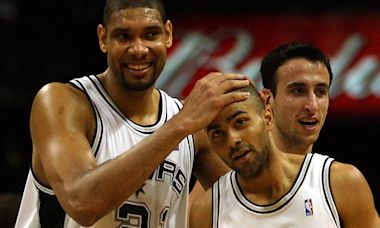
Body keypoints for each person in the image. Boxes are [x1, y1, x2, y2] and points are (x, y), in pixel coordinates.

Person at [15, 0, 250, 227]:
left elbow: (245, 208)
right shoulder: (63, 102)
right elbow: (82, 203)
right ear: (103, 38)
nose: (138, 49)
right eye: (123, 36)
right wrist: (180, 125)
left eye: (150, 34)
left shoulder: (187, 124)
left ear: (168, 35)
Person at [189, 84, 380, 227]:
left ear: (268, 118)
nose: (232, 140)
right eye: (217, 133)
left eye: (240, 122)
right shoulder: (206, 211)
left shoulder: (340, 181)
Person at [260, 42, 333, 155]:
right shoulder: (236, 171)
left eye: (320, 92)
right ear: (267, 100)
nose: (312, 106)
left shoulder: (341, 173)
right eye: (298, 91)